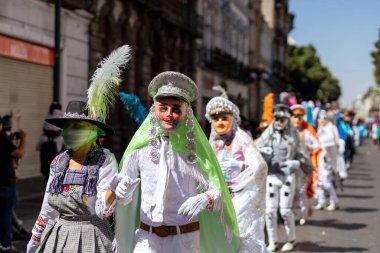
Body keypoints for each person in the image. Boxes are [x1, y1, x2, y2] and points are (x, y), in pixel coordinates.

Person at [115, 71, 241, 253]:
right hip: (146, 238)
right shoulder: (139, 150)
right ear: (154, 110)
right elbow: (124, 192)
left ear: (185, 113)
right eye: (163, 108)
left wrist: (206, 198)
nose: (168, 114)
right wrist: (122, 192)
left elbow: (218, 191)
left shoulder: (196, 153)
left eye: (176, 109)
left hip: (184, 240)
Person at [26, 44, 132, 253]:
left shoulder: (104, 160)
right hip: (57, 238)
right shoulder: (58, 162)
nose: (71, 132)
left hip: (91, 237)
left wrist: (114, 190)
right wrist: (35, 240)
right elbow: (47, 208)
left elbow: (102, 210)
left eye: (78, 127)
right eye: (68, 127)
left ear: (93, 131)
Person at [205, 96, 268, 252]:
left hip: (240, 196)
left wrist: (241, 166)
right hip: (219, 197)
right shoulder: (212, 141)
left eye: (224, 118)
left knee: (239, 234)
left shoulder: (241, 138)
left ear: (233, 119)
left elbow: (260, 165)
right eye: (215, 118)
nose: (220, 122)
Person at [256, 104, 313, 252]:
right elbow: (256, 150)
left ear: (288, 120)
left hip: (287, 176)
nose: (280, 121)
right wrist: (263, 153)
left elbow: (302, 154)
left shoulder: (293, 135)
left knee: (285, 210)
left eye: (283, 119)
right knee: (269, 210)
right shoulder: (268, 134)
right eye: (278, 118)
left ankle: (291, 239)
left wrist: (298, 163)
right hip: (272, 175)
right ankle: (273, 241)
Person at [290, 104, 321, 225]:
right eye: (295, 116)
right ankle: (288, 213)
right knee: (290, 190)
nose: (297, 119)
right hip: (289, 166)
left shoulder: (307, 132)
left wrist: (308, 148)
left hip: (303, 167)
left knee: (301, 190)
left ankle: (304, 214)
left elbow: (317, 145)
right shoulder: (286, 130)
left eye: (300, 116)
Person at [0, 115, 26, 253]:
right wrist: (23, 140)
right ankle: (6, 245)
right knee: (6, 214)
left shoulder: (4, 139)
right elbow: (19, 153)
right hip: (5, 183)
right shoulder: (2, 138)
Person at [315, 110, 340, 211]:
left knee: (326, 182)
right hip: (320, 159)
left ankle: (334, 201)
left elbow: (331, 140)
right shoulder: (321, 128)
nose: (320, 121)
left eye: (322, 119)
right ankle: (321, 201)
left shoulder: (331, 128)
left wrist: (318, 144)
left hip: (328, 160)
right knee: (319, 181)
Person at [36, 102, 65, 182]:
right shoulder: (61, 137)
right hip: (58, 166)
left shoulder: (43, 137)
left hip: (46, 167)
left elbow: (38, 147)